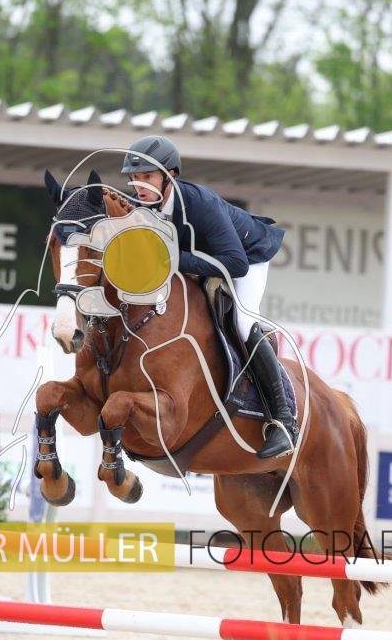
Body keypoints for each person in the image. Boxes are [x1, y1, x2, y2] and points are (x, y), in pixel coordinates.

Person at [121, 135, 296, 459]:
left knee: (243, 322)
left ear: (170, 175)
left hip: (247, 258)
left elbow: (235, 264)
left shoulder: (200, 203)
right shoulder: (143, 206)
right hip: (204, 261)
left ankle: (283, 421)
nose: (139, 185)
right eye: (134, 178)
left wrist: (175, 261)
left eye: (147, 176)